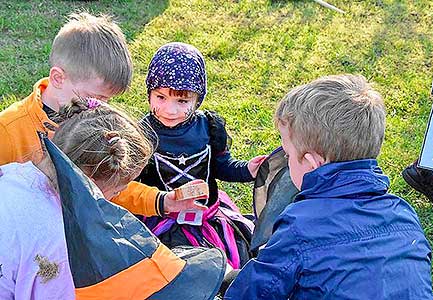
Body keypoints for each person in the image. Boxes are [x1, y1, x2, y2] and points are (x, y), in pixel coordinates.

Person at [224, 74, 433, 299]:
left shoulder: (300, 224)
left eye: (288, 156)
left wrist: (226, 277)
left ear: (312, 163)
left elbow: (253, 293)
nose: (286, 161)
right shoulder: (403, 213)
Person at [0, 97, 226, 300]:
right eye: (117, 192)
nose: (116, 198)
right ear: (89, 184)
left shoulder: (13, 173)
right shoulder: (65, 244)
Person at [0, 12, 202, 218]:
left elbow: (109, 184)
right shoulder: (7, 130)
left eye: (108, 100)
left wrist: (160, 200)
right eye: (95, 97)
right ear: (58, 78)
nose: (101, 107)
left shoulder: (94, 119)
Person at [138, 42, 266, 269]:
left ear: (198, 99)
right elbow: (133, 184)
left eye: (182, 101)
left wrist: (247, 170)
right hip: (160, 219)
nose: (170, 109)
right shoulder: (141, 133)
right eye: (160, 97)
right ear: (149, 92)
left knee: (223, 265)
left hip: (207, 216)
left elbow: (221, 166)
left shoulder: (209, 128)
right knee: (169, 271)